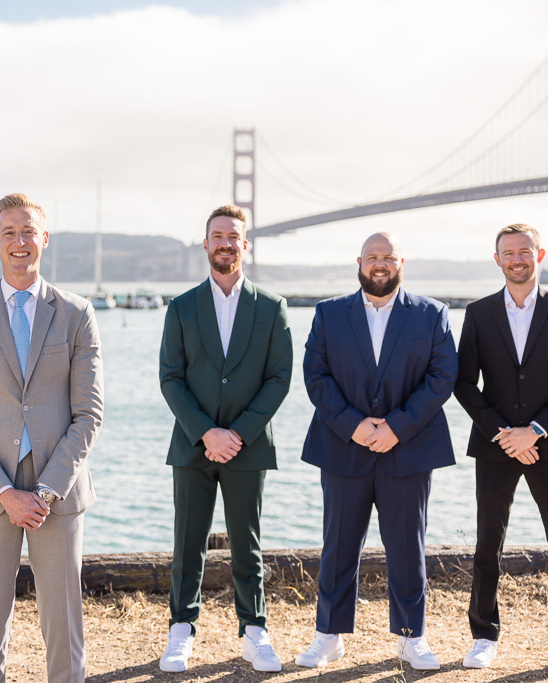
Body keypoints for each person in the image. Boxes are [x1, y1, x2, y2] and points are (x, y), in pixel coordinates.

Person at [0, 192, 104, 683]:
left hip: (59, 490)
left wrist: (46, 490)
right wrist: (6, 493)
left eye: (28, 231)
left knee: (64, 629)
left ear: (44, 240)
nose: (20, 241)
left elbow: (88, 415)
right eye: (9, 232)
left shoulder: (77, 313)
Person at [296, 232, 457, 671]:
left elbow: (442, 377)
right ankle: (327, 636)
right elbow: (316, 375)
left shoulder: (432, 313)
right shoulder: (329, 313)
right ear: (359, 262)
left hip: (409, 450)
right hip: (344, 446)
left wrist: (397, 428)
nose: (380, 264)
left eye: (388, 256)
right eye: (372, 257)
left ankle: (410, 638)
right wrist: (355, 425)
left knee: (408, 546)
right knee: (338, 546)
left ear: (401, 261)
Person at [157, 204, 293, 673]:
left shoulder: (272, 308)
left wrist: (236, 434)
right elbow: (171, 378)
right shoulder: (181, 307)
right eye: (217, 236)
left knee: (246, 543)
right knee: (187, 543)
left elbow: (279, 378)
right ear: (205, 244)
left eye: (234, 236)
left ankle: (254, 630)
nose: (225, 243)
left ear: (245, 244)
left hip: (248, 445)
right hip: (193, 445)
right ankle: (181, 628)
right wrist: (206, 433)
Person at [454, 223, 548, 669]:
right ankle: (483, 635)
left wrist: (536, 429)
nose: (516, 259)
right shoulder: (478, 312)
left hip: (546, 440)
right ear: (497, 260)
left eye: (524, 251)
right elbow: (463, 383)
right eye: (508, 252)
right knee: (488, 544)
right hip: (496, 445)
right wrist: (504, 433)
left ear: (540, 254)